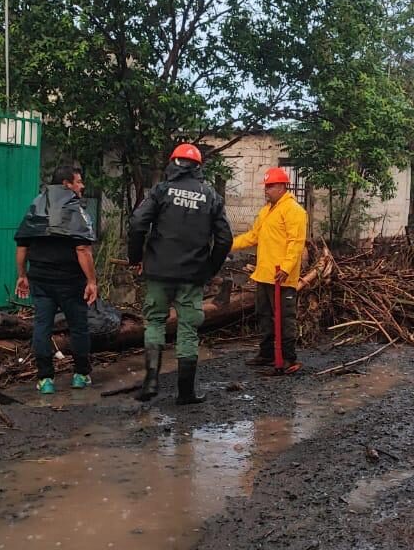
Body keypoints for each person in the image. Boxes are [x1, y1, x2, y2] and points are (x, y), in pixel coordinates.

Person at [128, 144, 233, 404]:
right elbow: (225, 238)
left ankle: (151, 382)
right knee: (188, 329)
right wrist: (209, 269)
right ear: (198, 166)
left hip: (158, 271)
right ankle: (186, 392)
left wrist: (135, 258)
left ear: (173, 163)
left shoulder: (161, 190)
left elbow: (138, 223)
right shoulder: (210, 195)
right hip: (192, 275)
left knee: (154, 323)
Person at [14, 165, 99, 395]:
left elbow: (22, 245)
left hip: (40, 280)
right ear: (66, 184)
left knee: (42, 327)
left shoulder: (36, 205)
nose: (82, 186)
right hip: (71, 281)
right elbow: (83, 249)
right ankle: (81, 375)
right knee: (78, 327)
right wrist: (91, 281)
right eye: (78, 182)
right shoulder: (75, 210)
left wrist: (22, 276)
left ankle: (45, 380)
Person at [232, 167, 307, 374]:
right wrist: (228, 244)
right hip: (264, 275)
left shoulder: (294, 210)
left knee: (284, 318)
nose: (267, 190)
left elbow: (296, 242)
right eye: (266, 186)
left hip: (281, 277)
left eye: (271, 186)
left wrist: (285, 267)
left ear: (283, 186)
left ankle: (288, 359)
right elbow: (252, 236)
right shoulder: (266, 211)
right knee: (264, 315)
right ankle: (266, 354)